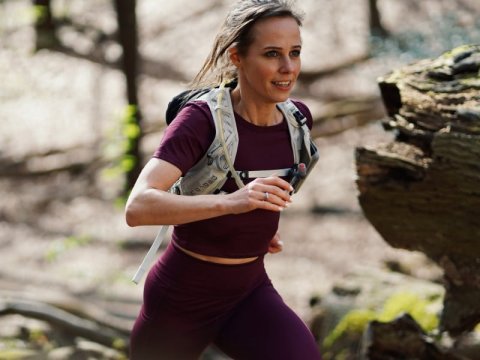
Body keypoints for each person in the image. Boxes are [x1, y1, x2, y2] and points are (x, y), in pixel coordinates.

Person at [125, 0, 322, 359]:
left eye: (295, 52)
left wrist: (258, 225)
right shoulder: (201, 121)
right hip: (180, 298)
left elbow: (271, 186)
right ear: (237, 57)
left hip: (248, 292)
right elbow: (137, 207)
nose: (287, 67)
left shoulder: (298, 122)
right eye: (272, 54)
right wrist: (232, 203)